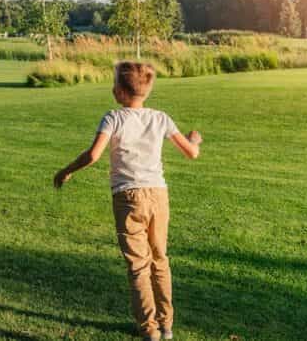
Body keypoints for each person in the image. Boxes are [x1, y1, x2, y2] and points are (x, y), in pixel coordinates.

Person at [53, 61, 202, 341]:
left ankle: (150, 331)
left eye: (114, 84)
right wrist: (195, 140)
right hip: (158, 195)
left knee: (138, 266)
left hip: (127, 197)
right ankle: (166, 325)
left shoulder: (113, 118)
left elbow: (93, 155)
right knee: (160, 260)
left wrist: (66, 171)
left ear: (121, 92)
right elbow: (192, 153)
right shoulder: (161, 118)